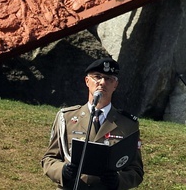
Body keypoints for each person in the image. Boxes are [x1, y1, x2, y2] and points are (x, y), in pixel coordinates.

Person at [42, 58, 144, 189]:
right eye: (97, 77)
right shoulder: (66, 118)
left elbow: (136, 170)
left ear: (115, 85)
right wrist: (62, 170)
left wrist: (118, 180)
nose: (102, 82)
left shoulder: (128, 124)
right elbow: (49, 159)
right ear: (87, 81)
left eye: (109, 79)